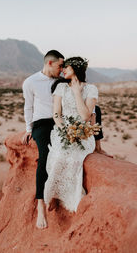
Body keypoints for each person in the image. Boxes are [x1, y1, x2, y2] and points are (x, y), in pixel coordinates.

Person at [44, 57, 98, 220]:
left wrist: (76, 92)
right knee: (59, 155)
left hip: (83, 133)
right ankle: (53, 194)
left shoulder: (91, 89)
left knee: (75, 158)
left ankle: (70, 199)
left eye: (66, 67)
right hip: (63, 130)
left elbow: (86, 115)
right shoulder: (60, 87)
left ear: (75, 69)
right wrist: (64, 131)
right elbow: (56, 114)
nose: (63, 70)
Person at [22, 50, 64, 229]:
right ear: (49, 63)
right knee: (46, 155)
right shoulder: (30, 82)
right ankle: (40, 204)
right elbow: (28, 107)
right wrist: (28, 129)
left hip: (60, 122)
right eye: (60, 66)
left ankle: (54, 193)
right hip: (41, 124)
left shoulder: (62, 82)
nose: (62, 70)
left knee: (65, 153)